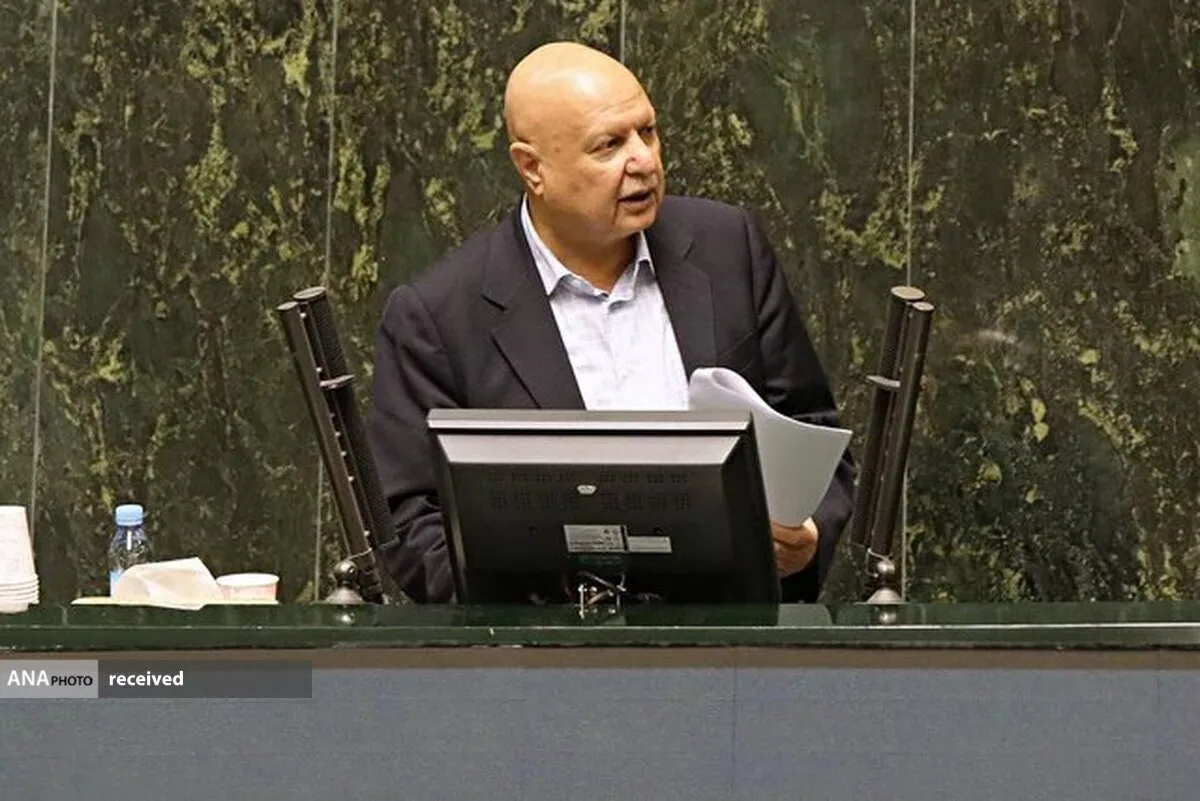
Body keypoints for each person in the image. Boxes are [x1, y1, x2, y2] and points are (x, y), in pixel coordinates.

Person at [367, 41, 855, 604]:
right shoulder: (439, 315)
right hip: (552, 647)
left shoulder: (728, 249)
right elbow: (411, 521)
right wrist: (544, 603)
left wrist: (807, 536)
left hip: (730, 634)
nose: (643, 161)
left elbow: (813, 432)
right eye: (609, 145)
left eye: (647, 132)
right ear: (532, 168)